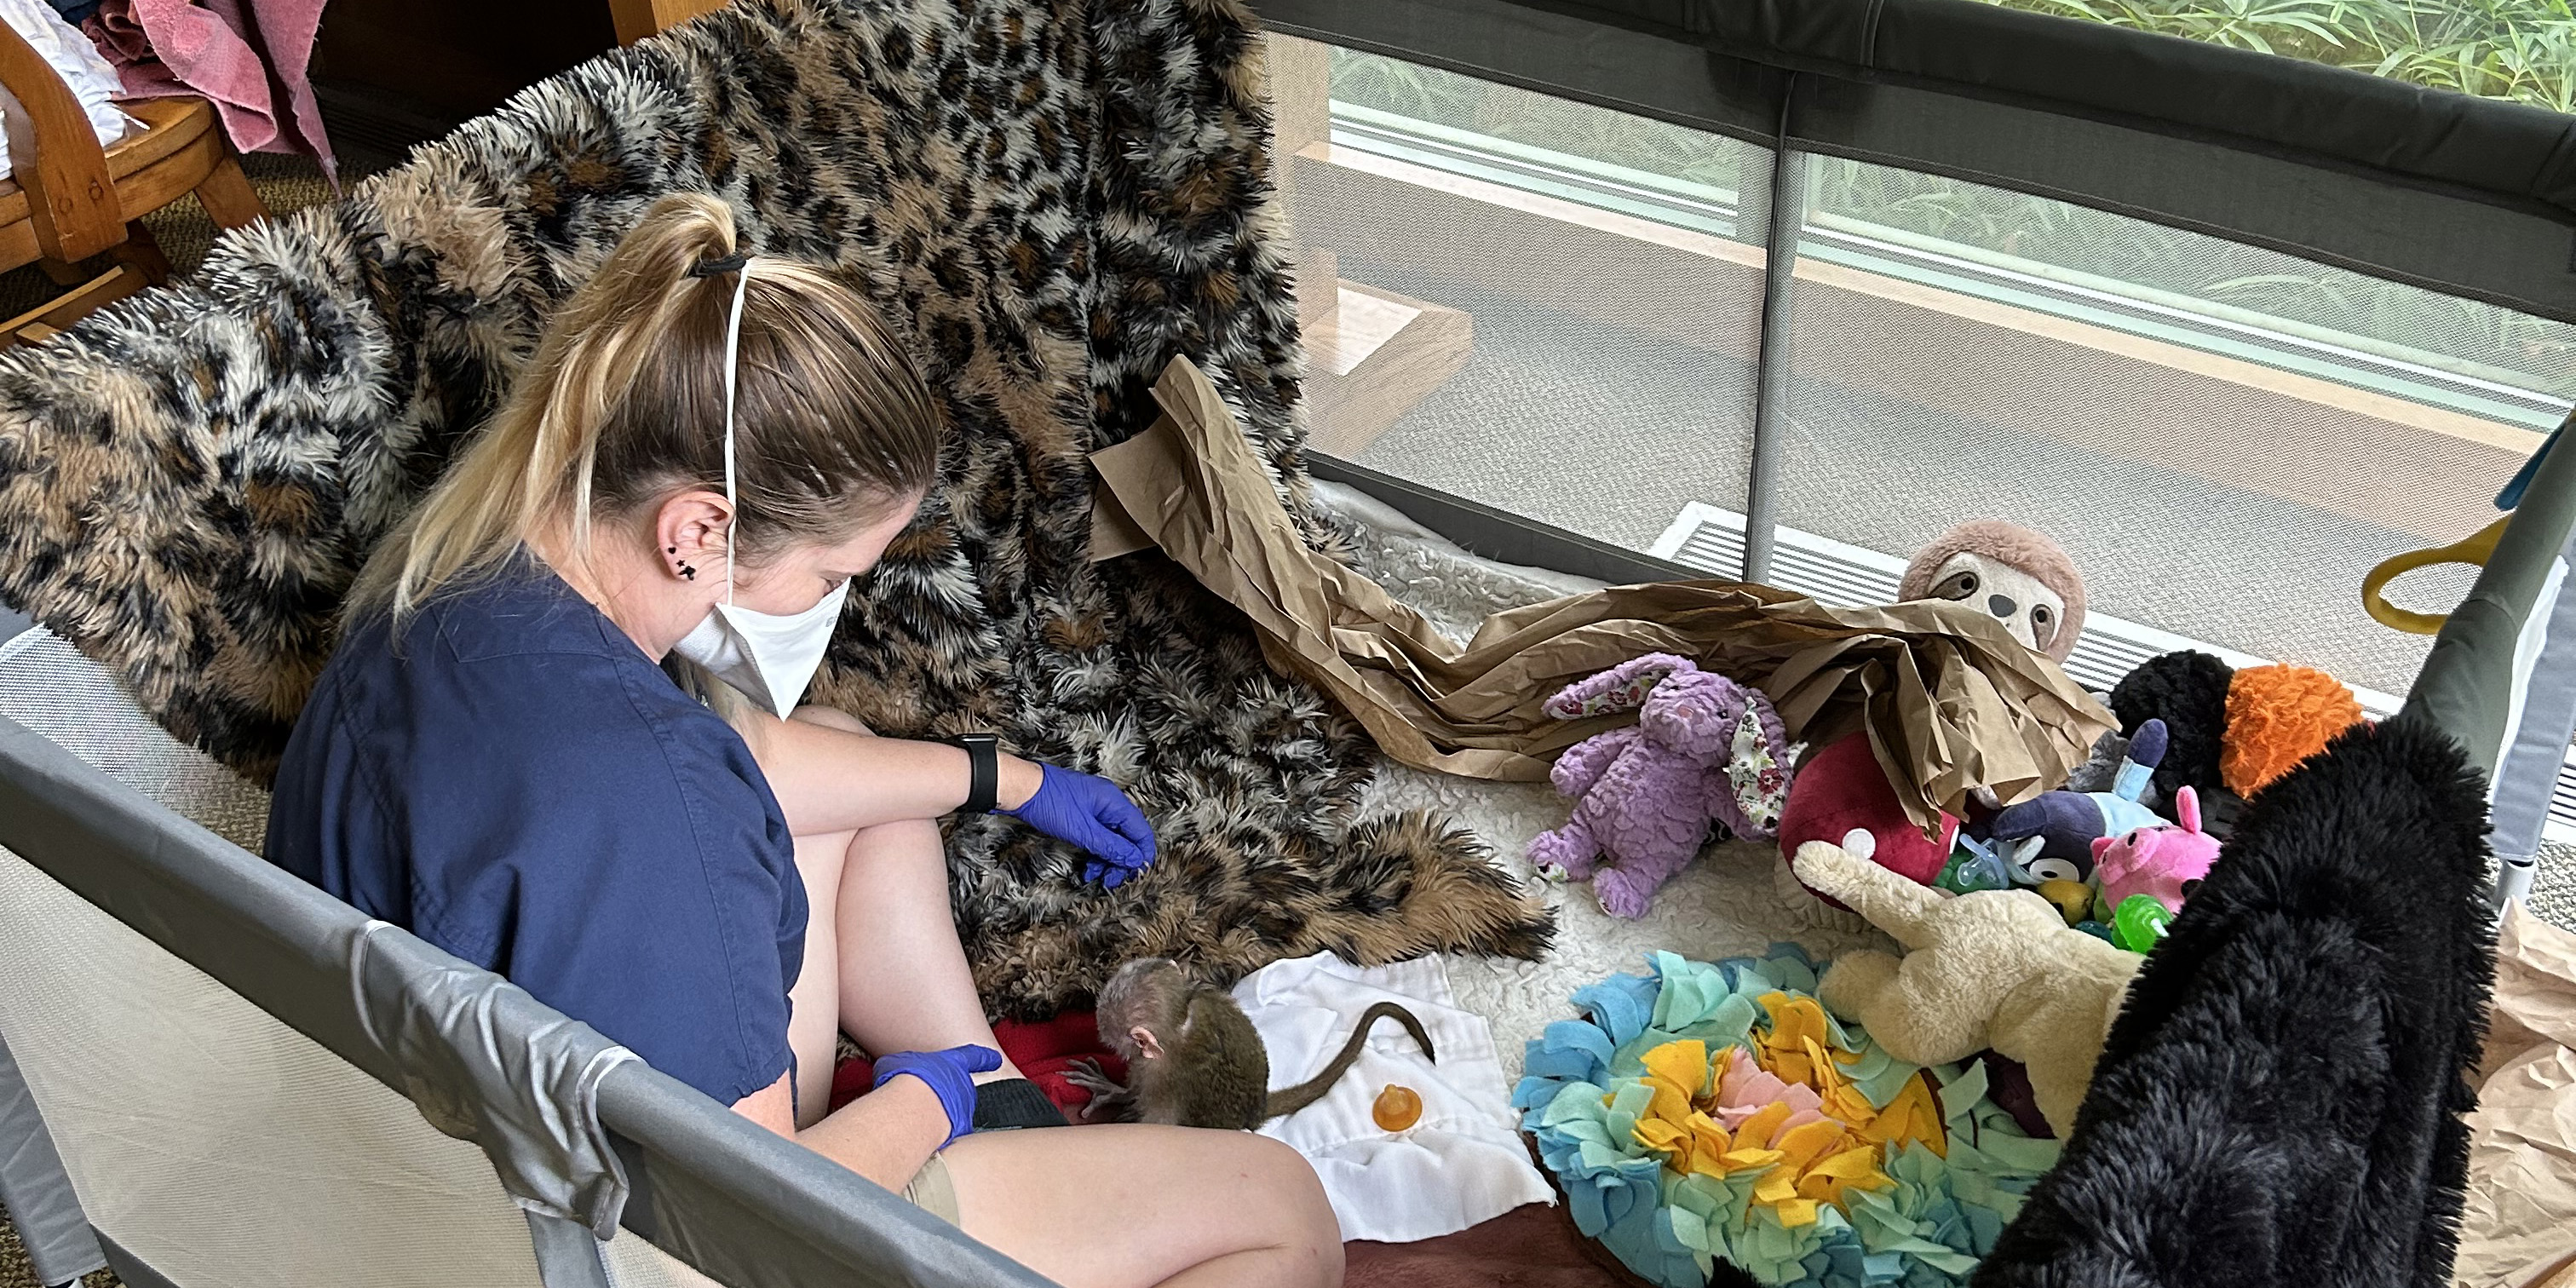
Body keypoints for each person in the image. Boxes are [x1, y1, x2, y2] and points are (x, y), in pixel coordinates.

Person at [264, 193, 1342, 1288]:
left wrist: (1006, 781)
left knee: (841, 756)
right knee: (1285, 1208)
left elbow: (761, 772)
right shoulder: (672, 809)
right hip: (604, 1248)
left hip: (402, 1165)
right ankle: (983, 1095)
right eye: (831, 578)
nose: (832, 604)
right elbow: (758, 1214)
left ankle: (1005, 1112)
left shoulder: (444, 592)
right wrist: (931, 1095)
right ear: (697, 530)